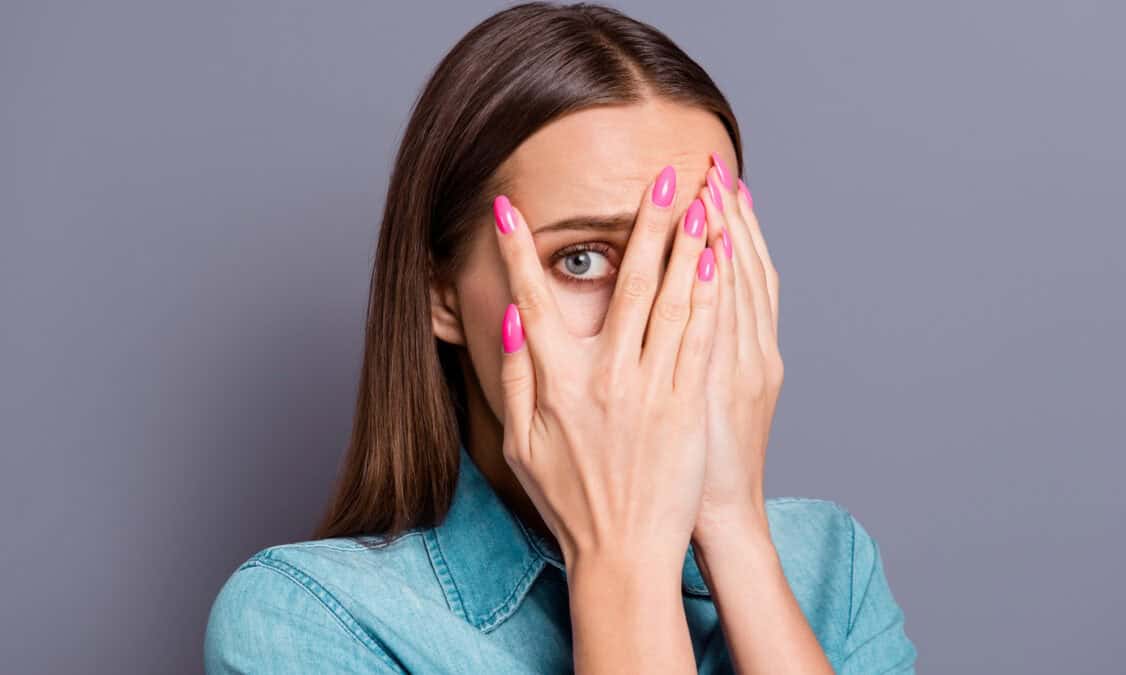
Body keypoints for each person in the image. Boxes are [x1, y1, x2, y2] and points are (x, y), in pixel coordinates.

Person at [204, 2, 917, 673]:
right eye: (581, 259)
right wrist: (623, 556)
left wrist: (734, 529)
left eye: (694, 252)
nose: (655, 311)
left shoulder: (830, 567)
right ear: (441, 292)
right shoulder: (311, 619)